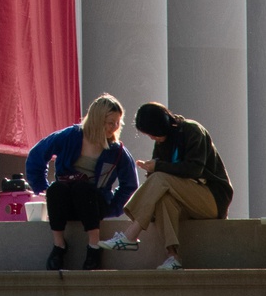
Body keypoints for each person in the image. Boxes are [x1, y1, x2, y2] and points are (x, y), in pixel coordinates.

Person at [93, 101, 233, 271]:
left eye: (153, 134)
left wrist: (157, 168)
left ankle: (131, 234)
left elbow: (194, 169)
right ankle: (173, 257)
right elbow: (160, 175)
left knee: (161, 178)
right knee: (164, 199)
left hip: (212, 198)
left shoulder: (192, 131)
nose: (152, 138)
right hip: (186, 201)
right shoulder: (162, 143)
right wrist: (151, 170)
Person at [23, 93, 139, 270]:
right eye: (110, 123)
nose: (114, 127)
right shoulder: (70, 136)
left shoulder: (117, 151)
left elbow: (129, 185)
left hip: (93, 202)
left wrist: (112, 208)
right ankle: (59, 245)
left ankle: (94, 246)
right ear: (97, 120)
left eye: (118, 123)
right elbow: (36, 156)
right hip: (66, 202)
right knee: (56, 189)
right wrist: (41, 187)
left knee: (82, 189)